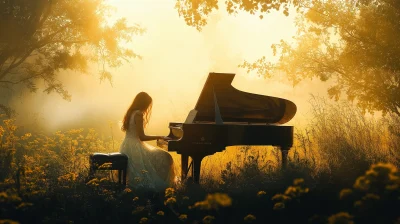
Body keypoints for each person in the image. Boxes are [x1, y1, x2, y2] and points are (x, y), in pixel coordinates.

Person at [120, 92, 175, 192]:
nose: (148, 107)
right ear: (144, 104)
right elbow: (142, 137)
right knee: (166, 157)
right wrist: (159, 136)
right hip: (134, 148)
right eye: (148, 105)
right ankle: (164, 185)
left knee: (160, 157)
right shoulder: (138, 114)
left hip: (127, 146)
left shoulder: (131, 112)